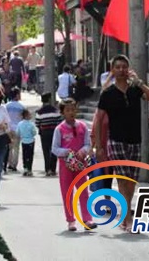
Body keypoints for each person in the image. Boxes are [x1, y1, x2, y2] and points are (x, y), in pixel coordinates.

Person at [93, 55, 149, 232]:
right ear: (113, 70)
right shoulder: (107, 94)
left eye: (124, 67)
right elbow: (98, 120)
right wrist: (99, 146)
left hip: (135, 140)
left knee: (131, 180)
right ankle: (127, 219)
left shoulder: (135, 90)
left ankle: (125, 213)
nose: (121, 70)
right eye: (118, 67)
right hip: (116, 141)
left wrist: (140, 83)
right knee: (122, 179)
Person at [52, 98, 97, 232]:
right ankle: (71, 220)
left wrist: (83, 151)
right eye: (67, 110)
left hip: (80, 164)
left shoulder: (82, 126)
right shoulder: (59, 129)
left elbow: (87, 144)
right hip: (65, 166)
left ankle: (87, 219)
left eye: (73, 109)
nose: (71, 112)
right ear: (63, 112)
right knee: (67, 193)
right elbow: (55, 148)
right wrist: (66, 152)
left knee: (83, 191)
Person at [35, 92, 62, 176]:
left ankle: (47, 169)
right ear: (49, 100)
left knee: (46, 151)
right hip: (54, 132)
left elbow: (37, 123)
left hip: (44, 133)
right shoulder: (55, 110)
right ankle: (53, 169)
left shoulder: (39, 112)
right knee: (54, 149)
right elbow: (59, 121)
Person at [5, 88, 25, 172]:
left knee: (9, 148)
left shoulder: (6, 105)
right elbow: (24, 118)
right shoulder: (21, 106)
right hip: (17, 129)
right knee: (16, 148)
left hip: (8, 129)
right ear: (16, 95)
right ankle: (14, 165)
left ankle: (10, 163)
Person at [16, 109, 36, 177]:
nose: (30, 115)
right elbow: (34, 133)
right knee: (30, 156)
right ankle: (29, 169)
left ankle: (25, 168)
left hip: (23, 141)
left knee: (24, 155)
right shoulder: (31, 124)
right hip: (31, 141)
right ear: (26, 115)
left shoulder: (20, 124)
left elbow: (17, 133)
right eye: (29, 114)